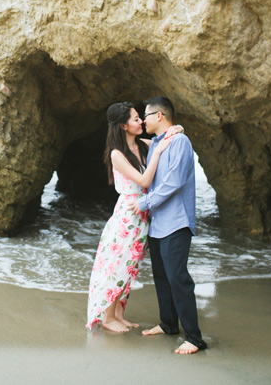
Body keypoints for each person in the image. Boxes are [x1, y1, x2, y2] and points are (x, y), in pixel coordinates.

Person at [86, 101, 182, 333]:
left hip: (143, 214)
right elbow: (144, 181)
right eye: (136, 118)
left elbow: (165, 138)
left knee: (131, 266)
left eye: (140, 117)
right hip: (128, 216)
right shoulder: (118, 154)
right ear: (123, 126)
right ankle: (107, 317)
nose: (141, 121)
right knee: (117, 264)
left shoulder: (144, 145)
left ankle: (119, 313)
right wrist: (157, 151)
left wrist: (175, 129)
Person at [126, 96, 207, 354]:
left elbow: (174, 181)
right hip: (159, 224)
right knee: (162, 277)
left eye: (146, 116)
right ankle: (169, 324)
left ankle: (194, 338)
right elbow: (127, 140)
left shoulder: (180, 142)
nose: (143, 120)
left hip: (176, 223)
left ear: (159, 116)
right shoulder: (158, 143)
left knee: (178, 277)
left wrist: (145, 202)